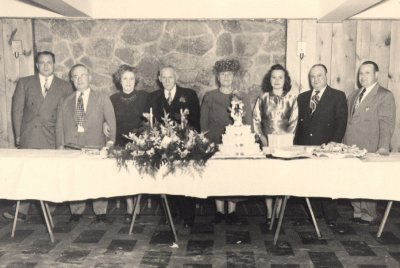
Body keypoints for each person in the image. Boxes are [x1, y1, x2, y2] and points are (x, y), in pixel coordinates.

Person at [3, 51, 73, 222]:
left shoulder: (64, 86)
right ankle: (21, 209)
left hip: (52, 135)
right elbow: (17, 110)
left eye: (49, 62)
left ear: (54, 64)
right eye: (42, 62)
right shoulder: (25, 83)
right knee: (27, 172)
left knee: (50, 172)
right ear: (36, 65)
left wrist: (63, 139)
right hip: (30, 134)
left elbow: (68, 115)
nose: (46, 66)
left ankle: (50, 206)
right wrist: (18, 135)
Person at [56, 64, 116, 223]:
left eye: (82, 75)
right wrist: (59, 145)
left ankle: (100, 211)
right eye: (75, 76)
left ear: (89, 77)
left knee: (97, 178)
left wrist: (110, 143)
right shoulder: (65, 100)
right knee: (75, 178)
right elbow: (59, 125)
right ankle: (76, 210)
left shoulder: (102, 97)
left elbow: (111, 122)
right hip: (72, 146)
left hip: (95, 145)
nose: (79, 79)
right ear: (71, 80)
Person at [294, 64, 348, 226]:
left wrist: (335, 141)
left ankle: (330, 214)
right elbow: (298, 124)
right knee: (310, 178)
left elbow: (341, 121)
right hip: (305, 145)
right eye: (312, 76)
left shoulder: (337, 96)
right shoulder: (302, 97)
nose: (316, 79)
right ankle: (313, 212)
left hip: (327, 145)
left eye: (319, 75)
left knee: (328, 178)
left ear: (326, 76)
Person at [147, 65, 200, 228]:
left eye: (170, 77)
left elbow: (196, 121)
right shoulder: (153, 97)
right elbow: (149, 123)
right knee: (166, 177)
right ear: (159, 79)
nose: (167, 81)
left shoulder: (189, 95)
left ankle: (188, 216)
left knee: (185, 178)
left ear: (176, 78)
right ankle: (170, 214)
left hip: (183, 144)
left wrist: (188, 141)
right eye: (164, 77)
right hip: (162, 145)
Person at [200, 58, 252, 224]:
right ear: (218, 78)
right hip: (215, 141)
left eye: (229, 75)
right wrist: (206, 141)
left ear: (233, 77)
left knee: (233, 175)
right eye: (223, 75)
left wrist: (245, 138)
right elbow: (203, 122)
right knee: (218, 176)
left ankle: (232, 211)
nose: (226, 78)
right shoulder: (209, 97)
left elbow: (248, 121)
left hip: (235, 141)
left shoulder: (241, 96)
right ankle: (219, 210)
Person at [344, 60, 396, 225]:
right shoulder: (353, 95)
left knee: (367, 180)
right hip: (350, 146)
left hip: (370, 147)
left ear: (376, 75)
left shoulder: (384, 95)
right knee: (353, 179)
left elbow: (387, 122)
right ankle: (357, 211)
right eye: (361, 73)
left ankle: (368, 214)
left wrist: (383, 146)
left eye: (367, 72)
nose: (363, 76)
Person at [253, 64, 298, 224]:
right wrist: (264, 140)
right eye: (274, 77)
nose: (277, 80)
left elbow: (293, 122)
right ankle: (269, 212)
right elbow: (256, 121)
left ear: (285, 80)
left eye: (280, 77)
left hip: (284, 145)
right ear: (269, 80)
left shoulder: (292, 98)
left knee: (280, 178)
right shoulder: (263, 98)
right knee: (268, 178)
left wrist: (286, 140)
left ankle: (278, 213)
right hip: (266, 144)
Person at [110, 64, 148, 223]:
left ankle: (138, 206)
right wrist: (106, 125)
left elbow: (150, 119)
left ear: (135, 80)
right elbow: (108, 118)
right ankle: (129, 206)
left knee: (137, 174)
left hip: (139, 141)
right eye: (125, 78)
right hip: (120, 140)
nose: (128, 81)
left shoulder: (144, 96)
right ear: (119, 80)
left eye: (131, 78)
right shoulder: (112, 99)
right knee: (125, 174)